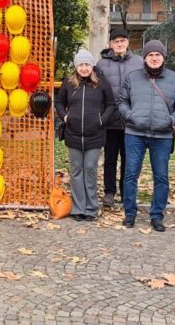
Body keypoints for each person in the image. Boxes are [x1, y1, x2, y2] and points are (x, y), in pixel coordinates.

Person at [118, 40, 175, 232]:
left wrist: (172, 120)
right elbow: (122, 101)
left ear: (163, 57)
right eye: (150, 55)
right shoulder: (133, 78)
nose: (154, 58)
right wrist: (131, 116)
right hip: (135, 133)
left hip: (162, 135)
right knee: (131, 174)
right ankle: (130, 213)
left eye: (158, 55)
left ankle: (157, 215)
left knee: (161, 177)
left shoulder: (174, 79)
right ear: (145, 58)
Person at [55, 49, 116, 221]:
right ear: (76, 67)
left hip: (95, 135)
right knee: (76, 171)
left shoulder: (102, 83)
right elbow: (59, 102)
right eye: (81, 65)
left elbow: (111, 105)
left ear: (92, 66)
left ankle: (91, 208)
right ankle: (78, 208)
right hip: (73, 135)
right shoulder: (68, 83)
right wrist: (65, 116)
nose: (84, 68)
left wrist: (101, 120)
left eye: (87, 64)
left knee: (90, 169)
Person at [94, 29, 143, 208]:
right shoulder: (101, 64)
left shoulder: (139, 62)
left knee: (129, 158)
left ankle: (126, 191)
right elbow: (96, 89)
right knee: (110, 158)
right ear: (110, 44)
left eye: (122, 41)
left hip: (131, 120)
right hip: (110, 120)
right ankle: (109, 191)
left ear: (128, 43)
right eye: (116, 41)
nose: (120, 44)